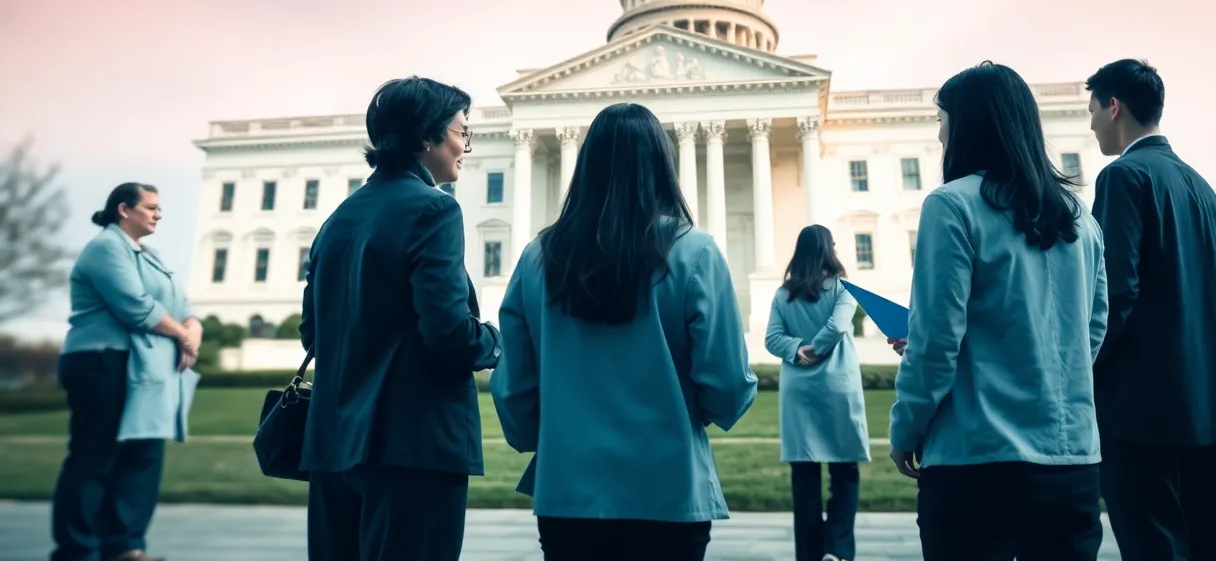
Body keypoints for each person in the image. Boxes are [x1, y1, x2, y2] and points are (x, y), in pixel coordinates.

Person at [490, 103, 758, 561]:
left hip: (568, 489)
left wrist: (551, 434)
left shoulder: (538, 258)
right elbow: (728, 385)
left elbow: (514, 388)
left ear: (587, 164)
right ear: (662, 164)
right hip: (668, 490)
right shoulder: (695, 252)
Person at [888, 62, 1109, 561]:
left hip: (976, 459)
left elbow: (937, 343)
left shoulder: (952, 205)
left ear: (968, 125)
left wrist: (907, 429)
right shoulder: (1081, 220)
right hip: (1071, 461)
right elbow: (1090, 333)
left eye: (942, 118)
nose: (939, 132)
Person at [299, 77, 501, 561]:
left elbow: (313, 332)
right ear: (426, 137)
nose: (465, 147)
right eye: (462, 132)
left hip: (333, 445)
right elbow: (449, 332)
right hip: (413, 447)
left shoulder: (339, 218)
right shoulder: (433, 210)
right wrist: (496, 341)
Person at [1085, 59, 1216, 560]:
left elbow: (1114, 296)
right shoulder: (1200, 185)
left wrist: (1081, 369)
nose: (1092, 123)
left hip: (1141, 410)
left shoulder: (1123, 176)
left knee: (1152, 546)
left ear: (1113, 106)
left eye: (1092, 109)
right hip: (1202, 407)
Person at [52, 183, 203, 561]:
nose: (158, 214)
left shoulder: (150, 255)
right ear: (124, 209)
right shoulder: (106, 247)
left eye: (159, 209)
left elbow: (184, 303)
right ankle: (78, 549)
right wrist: (183, 335)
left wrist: (192, 329)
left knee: (142, 457)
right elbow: (134, 306)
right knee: (96, 456)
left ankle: (125, 546)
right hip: (101, 361)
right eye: (150, 207)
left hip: (144, 367)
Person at [765, 224, 869, 561]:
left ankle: (808, 554)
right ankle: (837, 549)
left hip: (799, 391)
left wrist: (798, 349)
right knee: (845, 471)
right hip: (837, 385)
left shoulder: (783, 294)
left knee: (804, 474)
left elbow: (771, 338)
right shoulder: (843, 289)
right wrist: (820, 347)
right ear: (828, 249)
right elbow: (840, 326)